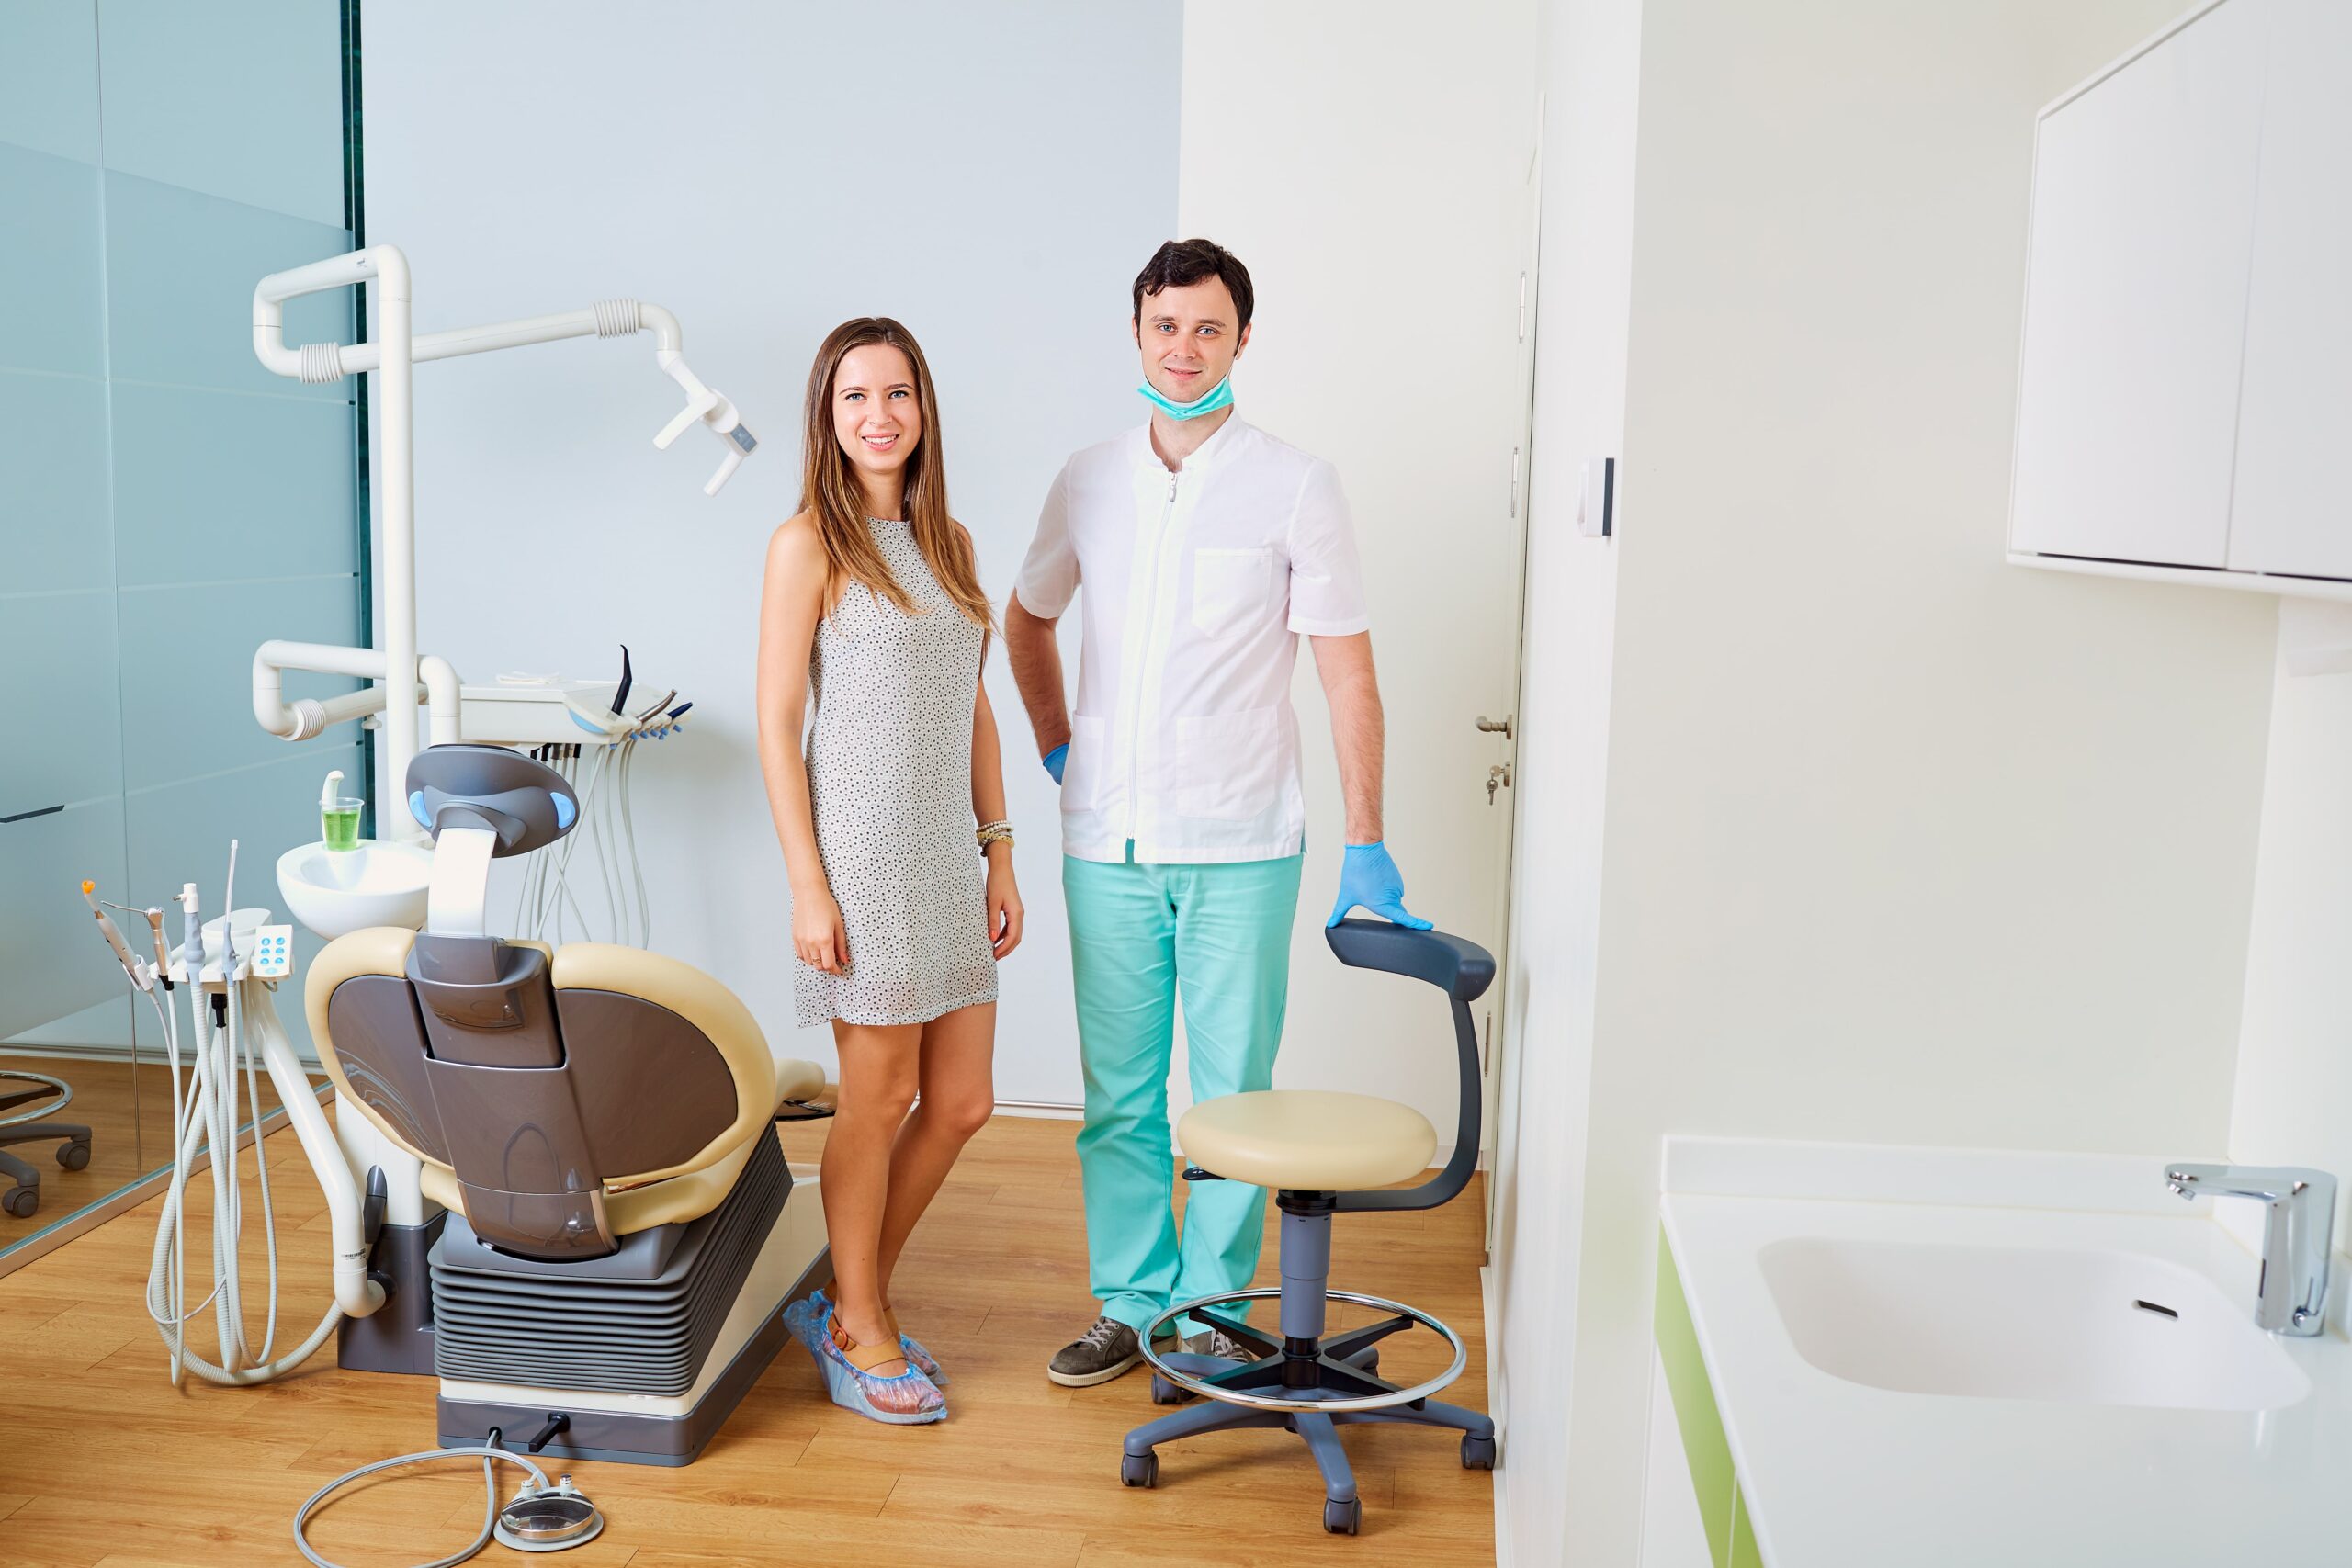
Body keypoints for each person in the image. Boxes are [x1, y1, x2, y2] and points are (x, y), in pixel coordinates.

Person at [1003, 238, 1427, 1388]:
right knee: (1119, 1101)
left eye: (1206, 328)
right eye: (1163, 326)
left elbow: (1346, 671)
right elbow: (1028, 615)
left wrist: (1367, 836)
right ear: (1134, 333)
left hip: (1243, 841)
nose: (1182, 349)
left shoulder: (1294, 482)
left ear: (1242, 338)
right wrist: (1055, 741)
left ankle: (1206, 1316)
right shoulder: (1087, 479)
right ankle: (1131, 1305)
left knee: (1232, 1098)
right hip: (1107, 843)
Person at [758, 317, 1024, 1423]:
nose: (880, 415)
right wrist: (807, 885)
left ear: (923, 409)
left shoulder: (950, 541)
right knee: (878, 1096)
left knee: (959, 1101)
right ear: (828, 416)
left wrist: (999, 850)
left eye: (898, 393)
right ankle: (863, 1321)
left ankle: (845, 1297)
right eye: (856, 396)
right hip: (859, 854)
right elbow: (779, 724)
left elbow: (973, 708)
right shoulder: (806, 545)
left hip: (941, 854)